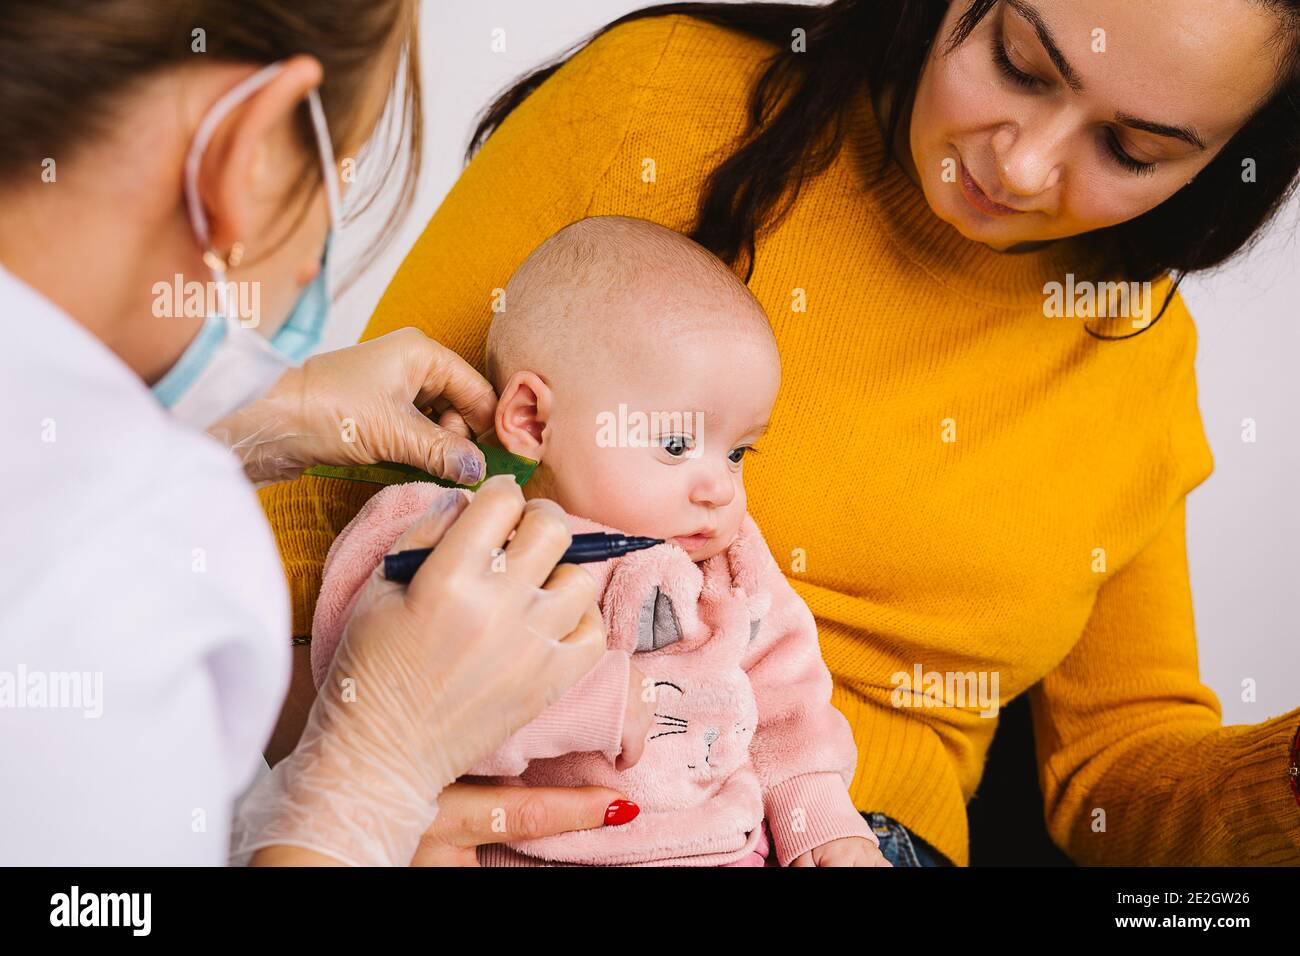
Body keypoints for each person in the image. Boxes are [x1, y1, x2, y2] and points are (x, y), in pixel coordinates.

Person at [262, 0, 1300, 865]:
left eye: (1130, 148)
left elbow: (1116, 766)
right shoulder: (657, 101)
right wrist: (358, 788)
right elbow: (340, 482)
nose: (1024, 166)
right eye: (1017, 63)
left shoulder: (1136, 350)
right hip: (512, 806)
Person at [0, 0, 629, 866]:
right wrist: (369, 779)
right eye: (343, 175)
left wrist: (256, 417)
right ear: (245, 153)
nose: (310, 261)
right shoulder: (124, 547)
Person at [311, 216, 890, 866]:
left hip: (723, 847)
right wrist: (588, 705)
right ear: (533, 420)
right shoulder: (460, 540)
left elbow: (787, 703)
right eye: (676, 444)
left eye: (736, 452)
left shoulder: (729, 562)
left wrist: (826, 823)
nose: (721, 488)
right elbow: (365, 687)